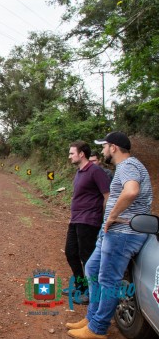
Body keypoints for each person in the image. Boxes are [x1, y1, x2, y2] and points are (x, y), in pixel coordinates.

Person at [66, 132, 153, 339]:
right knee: (92, 268)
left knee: (108, 279)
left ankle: (98, 328)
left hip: (123, 234)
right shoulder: (124, 167)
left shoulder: (129, 166)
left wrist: (112, 215)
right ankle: (91, 317)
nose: (102, 150)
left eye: (104, 146)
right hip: (112, 232)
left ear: (113, 147)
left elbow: (131, 191)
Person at [64, 141, 110, 305]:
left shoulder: (95, 171)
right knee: (71, 253)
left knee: (87, 257)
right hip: (76, 220)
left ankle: (92, 294)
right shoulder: (79, 172)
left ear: (81, 154)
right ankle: (81, 287)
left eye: (71, 153)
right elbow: (78, 197)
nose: (69, 156)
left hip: (89, 221)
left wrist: (106, 219)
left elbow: (107, 196)